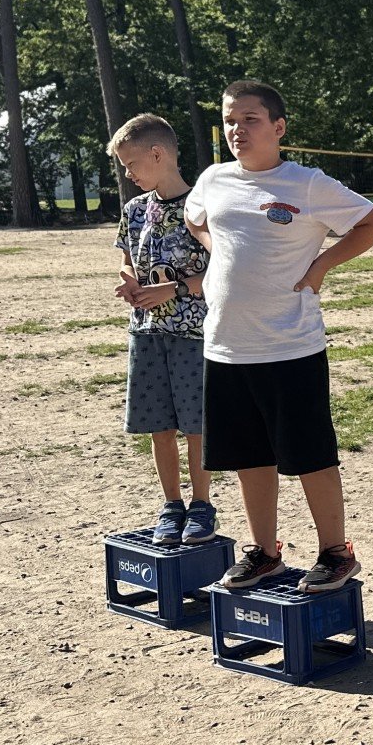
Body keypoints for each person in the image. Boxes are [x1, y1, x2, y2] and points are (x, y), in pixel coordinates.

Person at [184, 80, 373, 593]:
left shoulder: (307, 184)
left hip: (290, 345)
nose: (237, 130)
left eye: (250, 119)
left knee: (309, 455)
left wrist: (321, 265)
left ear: (278, 127)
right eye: (230, 121)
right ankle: (265, 553)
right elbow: (195, 218)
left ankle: (336, 552)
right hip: (226, 345)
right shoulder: (213, 179)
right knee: (248, 456)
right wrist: (217, 250)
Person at [110, 113, 215, 546]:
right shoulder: (135, 210)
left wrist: (173, 289)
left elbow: (221, 270)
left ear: (157, 154)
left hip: (194, 334)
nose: (128, 175)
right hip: (147, 332)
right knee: (159, 424)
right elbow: (127, 261)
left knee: (196, 424)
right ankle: (172, 505)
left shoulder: (202, 208)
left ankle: (202, 505)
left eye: (131, 165)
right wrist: (129, 283)